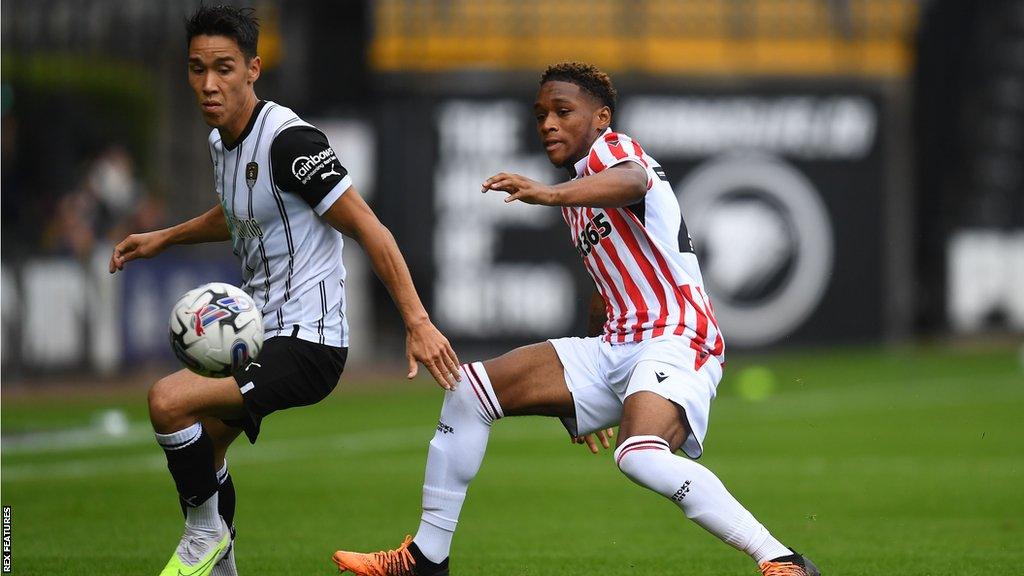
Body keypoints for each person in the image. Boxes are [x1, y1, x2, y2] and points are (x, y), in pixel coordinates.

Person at [331, 62, 820, 576]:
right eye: (541, 114)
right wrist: (579, 397)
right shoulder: (580, 196)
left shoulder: (610, 154)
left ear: (601, 116)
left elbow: (633, 179)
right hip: (617, 346)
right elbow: (605, 293)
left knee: (640, 455)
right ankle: (425, 559)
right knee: (469, 390)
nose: (548, 123)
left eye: (563, 111)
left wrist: (549, 193)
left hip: (675, 334)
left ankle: (781, 560)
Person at [108, 6, 461, 576]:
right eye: (196, 69)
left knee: (167, 402)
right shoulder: (221, 143)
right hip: (262, 336)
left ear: (253, 69)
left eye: (223, 68)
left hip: (309, 342)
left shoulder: (291, 141)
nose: (208, 83)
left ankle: (205, 538)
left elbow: (369, 227)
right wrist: (165, 238)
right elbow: (241, 213)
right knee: (205, 449)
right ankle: (221, 562)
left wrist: (417, 321)